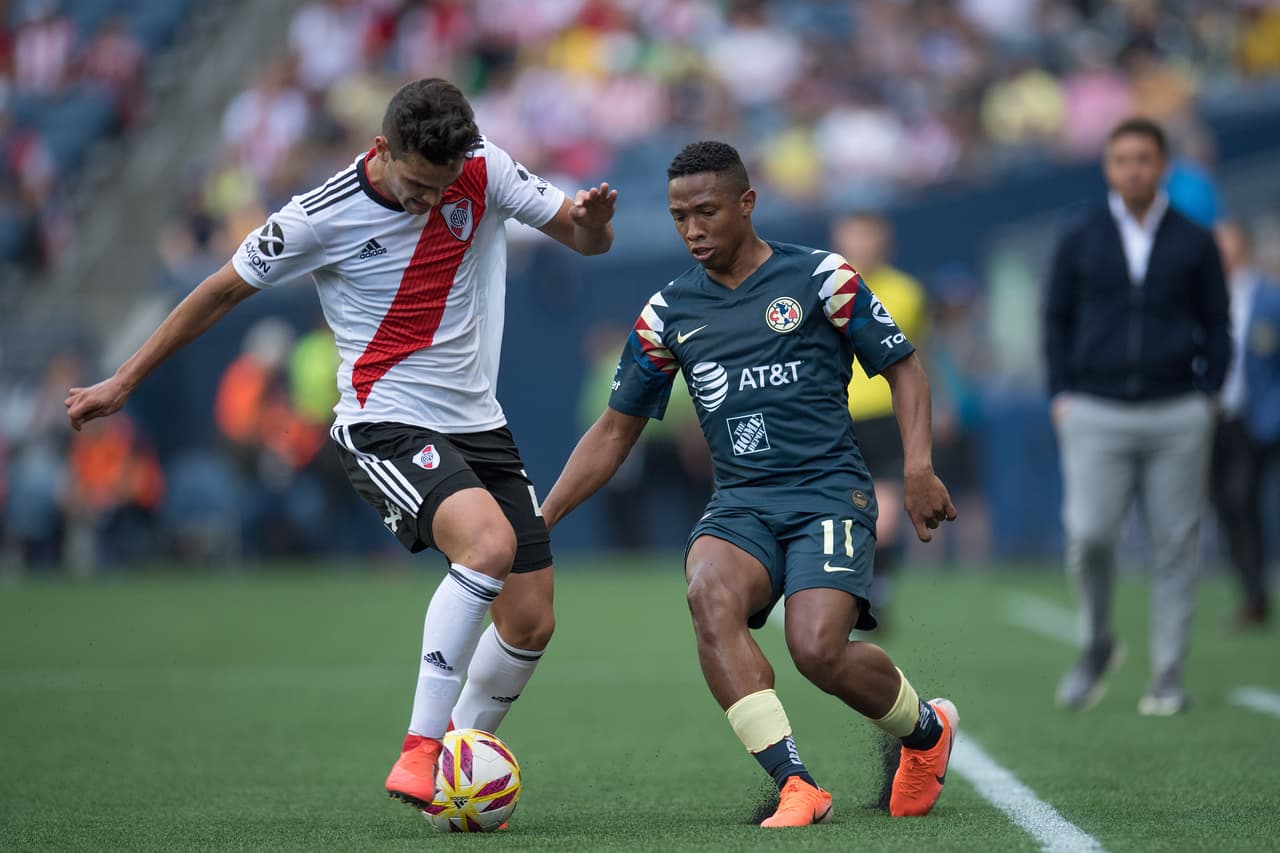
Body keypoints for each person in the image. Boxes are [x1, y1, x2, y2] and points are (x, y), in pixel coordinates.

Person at [65, 78, 618, 810]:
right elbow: (220, 290)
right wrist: (126, 379)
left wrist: (594, 222)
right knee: (486, 546)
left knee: (531, 616)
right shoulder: (317, 216)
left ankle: (457, 772)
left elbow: (583, 240)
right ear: (382, 149)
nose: (430, 201)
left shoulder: (483, 168)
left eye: (441, 186)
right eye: (417, 185)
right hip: (382, 423)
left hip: (477, 422)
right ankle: (419, 753)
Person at [541, 141, 958, 827]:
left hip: (828, 492)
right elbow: (616, 430)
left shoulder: (823, 278)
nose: (693, 229)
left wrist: (917, 466)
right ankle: (796, 783)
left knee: (817, 651)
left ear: (746, 203)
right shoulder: (666, 314)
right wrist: (545, 515)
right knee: (708, 593)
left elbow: (905, 368)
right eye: (679, 217)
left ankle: (926, 734)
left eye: (706, 211)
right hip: (741, 504)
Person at [1044, 117, 1229, 716]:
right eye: (1122, 159)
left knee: (1176, 545)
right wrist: (1061, 394)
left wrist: (1210, 395)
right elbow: (1056, 319)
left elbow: (1218, 324)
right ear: (1108, 167)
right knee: (1090, 537)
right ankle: (1097, 644)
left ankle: (1169, 672)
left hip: (1178, 409)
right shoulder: (1080, 236)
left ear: (1162, 165)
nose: (1133, 169)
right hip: (1095, 409)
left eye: (1144, 159)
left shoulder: (1195, 240)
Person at [831, 211, 929, 612]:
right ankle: (876, 584)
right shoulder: (907, 291)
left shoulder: (829, 287)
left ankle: (867, 585)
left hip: (863, 410)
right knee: (873, 502)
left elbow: (915, 360)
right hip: (847, 410)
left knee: (872, 503)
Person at [1211, 221, 1277, 628]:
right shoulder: (1202, 297)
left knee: (1242, 497)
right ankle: (1250, 591)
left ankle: (1256, 593)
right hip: (1216, 419)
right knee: (1225, 505)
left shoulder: (1269, 297)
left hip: (1258, 418)